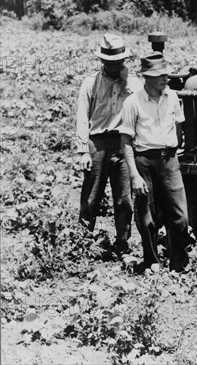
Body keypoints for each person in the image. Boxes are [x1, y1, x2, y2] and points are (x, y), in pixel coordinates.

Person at [120, 52, 190, 272]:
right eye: (159, 75)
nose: (165, 79)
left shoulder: (172, 97)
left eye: (165, 75)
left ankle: (179, 263)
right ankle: (152, 261)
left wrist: (172, 153)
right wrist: (134, 174)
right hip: (144, 162)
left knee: (180, 216)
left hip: (169, 160)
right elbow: (126, 141)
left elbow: (179, 128)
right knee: (147, 216)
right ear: (146, 78)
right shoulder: (133, 102)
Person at [75, 33, 142, 255]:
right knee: (91, 196)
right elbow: (82, 118)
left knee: (124, 197)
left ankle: (122, 244)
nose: (114, 66)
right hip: (97, 143)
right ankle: (82, 242)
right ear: (102, 61)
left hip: (123, 144)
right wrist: (83, 150)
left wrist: (126, 84)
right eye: (110, 62)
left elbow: (142, 112)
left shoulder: (133, 84)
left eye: (118, 62)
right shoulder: (90, 82)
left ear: (124, 60)